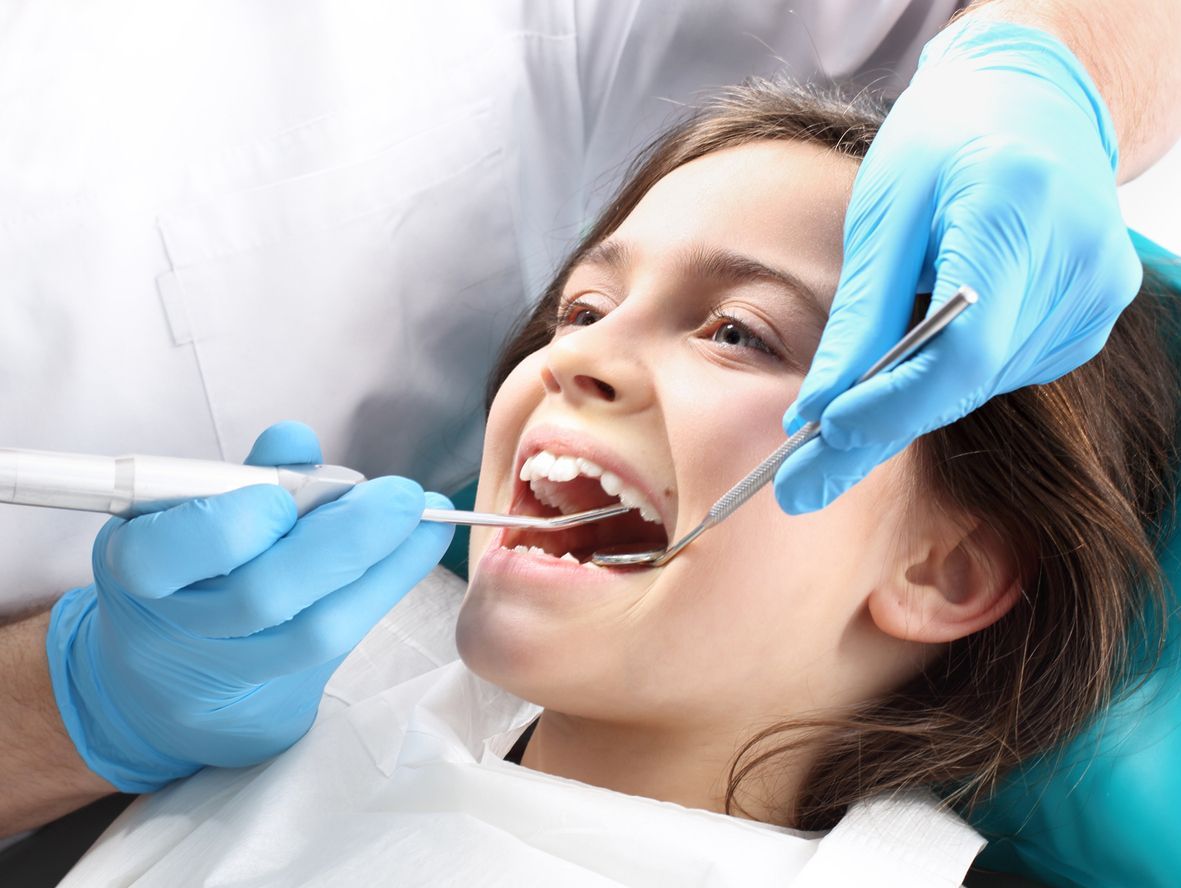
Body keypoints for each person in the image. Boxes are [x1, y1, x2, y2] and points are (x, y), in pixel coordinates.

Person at [2, 0, 1179, 849]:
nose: (576, 356)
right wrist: (76, 704)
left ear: (946, 566)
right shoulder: (332, 678)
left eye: (737, 332)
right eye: (582, 304)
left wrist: (1051, 69)